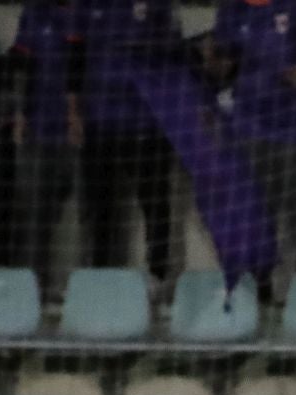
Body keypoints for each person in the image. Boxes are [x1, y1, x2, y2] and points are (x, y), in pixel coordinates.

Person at [206, 0, 296, 286]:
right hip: (248, 125)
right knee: (253, 215)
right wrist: (211, 60)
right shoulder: (232, 10)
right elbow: (223, 66)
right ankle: (256, 291)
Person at [77, 0, 182, 286]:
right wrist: (74, 110)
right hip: (100, 123)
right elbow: (76, 52)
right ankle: (97, 276)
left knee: (155, 204)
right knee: (99, 208)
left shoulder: (160, 8)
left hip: (145, 123)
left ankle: (157, 277)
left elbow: (173, 52)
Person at [4, 0, 84, 285]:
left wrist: (74, 114)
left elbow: (78, 64)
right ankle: (31, 285)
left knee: (79, 211)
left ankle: (81, 288)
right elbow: (23, 65)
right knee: (34, 212)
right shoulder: (34, 13)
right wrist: (20, 113)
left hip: (75, 130)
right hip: (38, 126)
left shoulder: (82, 12)